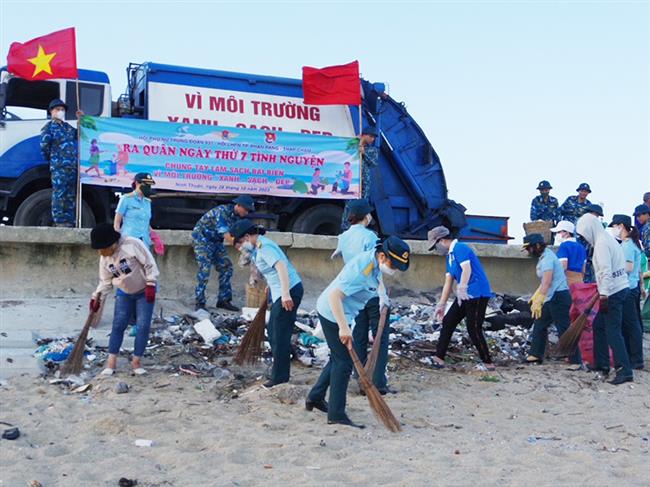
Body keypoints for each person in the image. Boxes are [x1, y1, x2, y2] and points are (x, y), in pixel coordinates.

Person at [306, 236, 411, 428]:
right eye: (393, 265)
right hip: (333, 313)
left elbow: (375, 281)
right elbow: (335, 296)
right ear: (381, 256)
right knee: (344, 363)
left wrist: (382, 298)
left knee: (338, 357)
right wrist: (344, 328)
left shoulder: (374, 263)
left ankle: (315, 397)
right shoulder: (362, 270)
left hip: (344, 314)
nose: (394, 270)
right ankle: (336, 414)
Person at [230, 220, 303, 387]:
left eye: (240, 243)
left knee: (279, 334)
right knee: (274, 331)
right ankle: (282, 367)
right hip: (281, 292)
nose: (241, 248)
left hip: (289, 292)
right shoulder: (260, 247)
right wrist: (271, 286)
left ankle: (279, 377)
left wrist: (285, 294)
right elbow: (274, 271)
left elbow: (282, 267)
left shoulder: (265, 248)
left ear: (247, 237)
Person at [332, 199, 392, 394]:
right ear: (366, 216)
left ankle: (359, 375)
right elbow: (376, 266)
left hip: (353, 292)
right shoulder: (370, 237)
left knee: (358, 334)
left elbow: (340, 255)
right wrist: (383, 294)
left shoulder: (343, 237)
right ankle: (378, 383)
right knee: (379, 337)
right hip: (371, 291)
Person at [89, 223, 159, 376]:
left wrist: (151, 283)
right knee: (118, 324)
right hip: (124, 292)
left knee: (143, 325)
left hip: (144, 291)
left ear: (112, 243)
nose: (101, 252)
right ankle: (111, 363)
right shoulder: (105, 259)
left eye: (103, 248)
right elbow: (106, 282)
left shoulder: (132, 244)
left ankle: (136, 362)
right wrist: (97, 297)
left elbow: (149, 264)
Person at [428, 226, 495, 371]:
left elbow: (467, 268)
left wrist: (462, 286)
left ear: (441, 240)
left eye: (435, 246)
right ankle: (439, 358)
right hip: (463, 295)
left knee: (474, 328)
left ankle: (488, 362)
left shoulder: (460, 248)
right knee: (448, 321)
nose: (436, 250)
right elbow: (448, 281)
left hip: (477, 293)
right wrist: (442, 304)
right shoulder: (449, 257)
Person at [576, 214, 632, 385]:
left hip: (613, 292)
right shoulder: (607, 239)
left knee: (613, 331)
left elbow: (606, 270)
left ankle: (625, 371)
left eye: (584, 233)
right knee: (598, 326)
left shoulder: (601, 244)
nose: (584, 237)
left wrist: (604, 294)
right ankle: (602, 365)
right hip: (617, 288)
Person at [522, 233, 581, 368]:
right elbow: (544, 282)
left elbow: (547, 281)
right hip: (550, 296)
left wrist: (539, 299)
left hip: (559, 297)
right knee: (540, 324)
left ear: (537, 246)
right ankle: (536, 354)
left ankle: (575, 360)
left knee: (564, 328)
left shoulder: (548, 259)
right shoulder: (543, 257)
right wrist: (537, 296)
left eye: (529, 248)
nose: (528, 251)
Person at [192, 195, 255, 311]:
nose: (247, 212)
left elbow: (238, 234)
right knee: (204, 270)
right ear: (238, 205)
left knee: (226, 267)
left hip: (216, 241)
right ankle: (199, 302)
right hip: (202, 240)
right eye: (245, 209)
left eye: (248, 210)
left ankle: (223, 300)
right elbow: (227, 236)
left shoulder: (237, 217)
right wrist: (243, 250)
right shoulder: (222, 212)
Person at [608, 215, 644, 370]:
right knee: (632, 323)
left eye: (614, 226)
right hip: (632, 287)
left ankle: (635, 358)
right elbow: (640, 269)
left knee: (630, 324)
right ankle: (634, 357)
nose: (613, 229)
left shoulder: (627, 246)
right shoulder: (631, 244)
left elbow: (628, 268)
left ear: (621, 226)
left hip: (627, 288)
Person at [40, 99, 80, 227]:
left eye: (62, 109)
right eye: (57, 109)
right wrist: (53, 160)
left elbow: (79, 134)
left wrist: (81, 120)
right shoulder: (49, 127)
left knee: (70, 194)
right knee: (59, 193)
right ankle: (59, 221)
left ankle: (69, 220)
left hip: (72, 167)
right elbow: (44, 146)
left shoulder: (67, 127)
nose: (60, 111)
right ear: (51, 111)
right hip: (59, 167)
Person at [340, 127, 379, 231]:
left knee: (362, 205)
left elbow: (373, 163)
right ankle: (346, 228)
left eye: (374, 137)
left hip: (364, 183)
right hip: (352, 182)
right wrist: (356, 141)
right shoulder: (353, 145)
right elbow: (343, 150)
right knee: (349, 205)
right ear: (364, 135)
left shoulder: (372, 150)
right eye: (371, 136)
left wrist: (364, 153)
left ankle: (360, 228)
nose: (372, 139)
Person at [114, 173, 156, 248]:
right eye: (145, 184)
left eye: (149, 185)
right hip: (129, 241)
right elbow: (117, 222)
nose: (147, 187)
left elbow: (146, 223)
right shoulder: (126, 199)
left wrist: (155, 236)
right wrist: (117, 240)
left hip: (144, 243)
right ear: (137, 183)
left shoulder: (147, 202)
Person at [551, 221, 587, 285]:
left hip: (567, 281)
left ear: (567, 233)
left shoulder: (564, 246)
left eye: (559, 232)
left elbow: (563, 266)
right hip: (579, 280)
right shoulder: (581, 247)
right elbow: (583, 269)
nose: (556, 234)